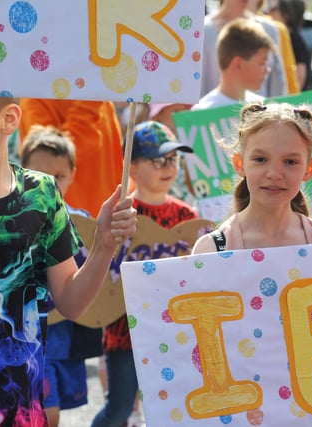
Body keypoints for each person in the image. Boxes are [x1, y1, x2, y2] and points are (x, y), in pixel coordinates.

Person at [0, 96, 137, 425]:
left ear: (9, 119)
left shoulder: (42, 193)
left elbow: (70, 301)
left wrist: (103, 246)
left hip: (21, 406)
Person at [92, 121, 197, 427]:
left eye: (173, 159)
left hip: (171, 331)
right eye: (158, 160)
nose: (168, 167)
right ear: (133, 169)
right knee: (120, 409)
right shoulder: (121, 214)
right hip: (123, 334)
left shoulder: (186, 216)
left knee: (170, 408)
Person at [20, 125, 104, 427]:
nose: (49, 183)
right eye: (40, 173)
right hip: (24, 329)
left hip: (62, 330)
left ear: (72, 173)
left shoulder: (79, 221)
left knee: (49, 409)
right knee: (42, 408)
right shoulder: (10, 219)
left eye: (58, 176)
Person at [193, 102, 312, 253]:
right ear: (240, 164)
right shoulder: (212, 249)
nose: (274, 174)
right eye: (260, 159)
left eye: (290, 162)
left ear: (310, 169)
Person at [18, 99, 124, 218]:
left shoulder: (100, 95)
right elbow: (55, 159)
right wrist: (90, 99)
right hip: (60, 224)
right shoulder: (36, 98)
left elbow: (115, 162)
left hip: (102, 223)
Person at [199, 0, 288, 101]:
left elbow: (277, 83)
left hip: (261, 113)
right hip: (215, 114)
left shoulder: (269, 29)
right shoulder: (203, 30)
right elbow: (198, 83)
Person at [192, 18, 276, 110]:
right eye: (262, 63)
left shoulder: (263, 107)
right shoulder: (203, 112)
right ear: (239, 63)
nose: (267, 70)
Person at [266, 0, 310, 91]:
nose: (268, 11)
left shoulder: (294, 39)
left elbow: (300, 73)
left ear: (285, 15)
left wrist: (291, 98)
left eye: (274, 9)